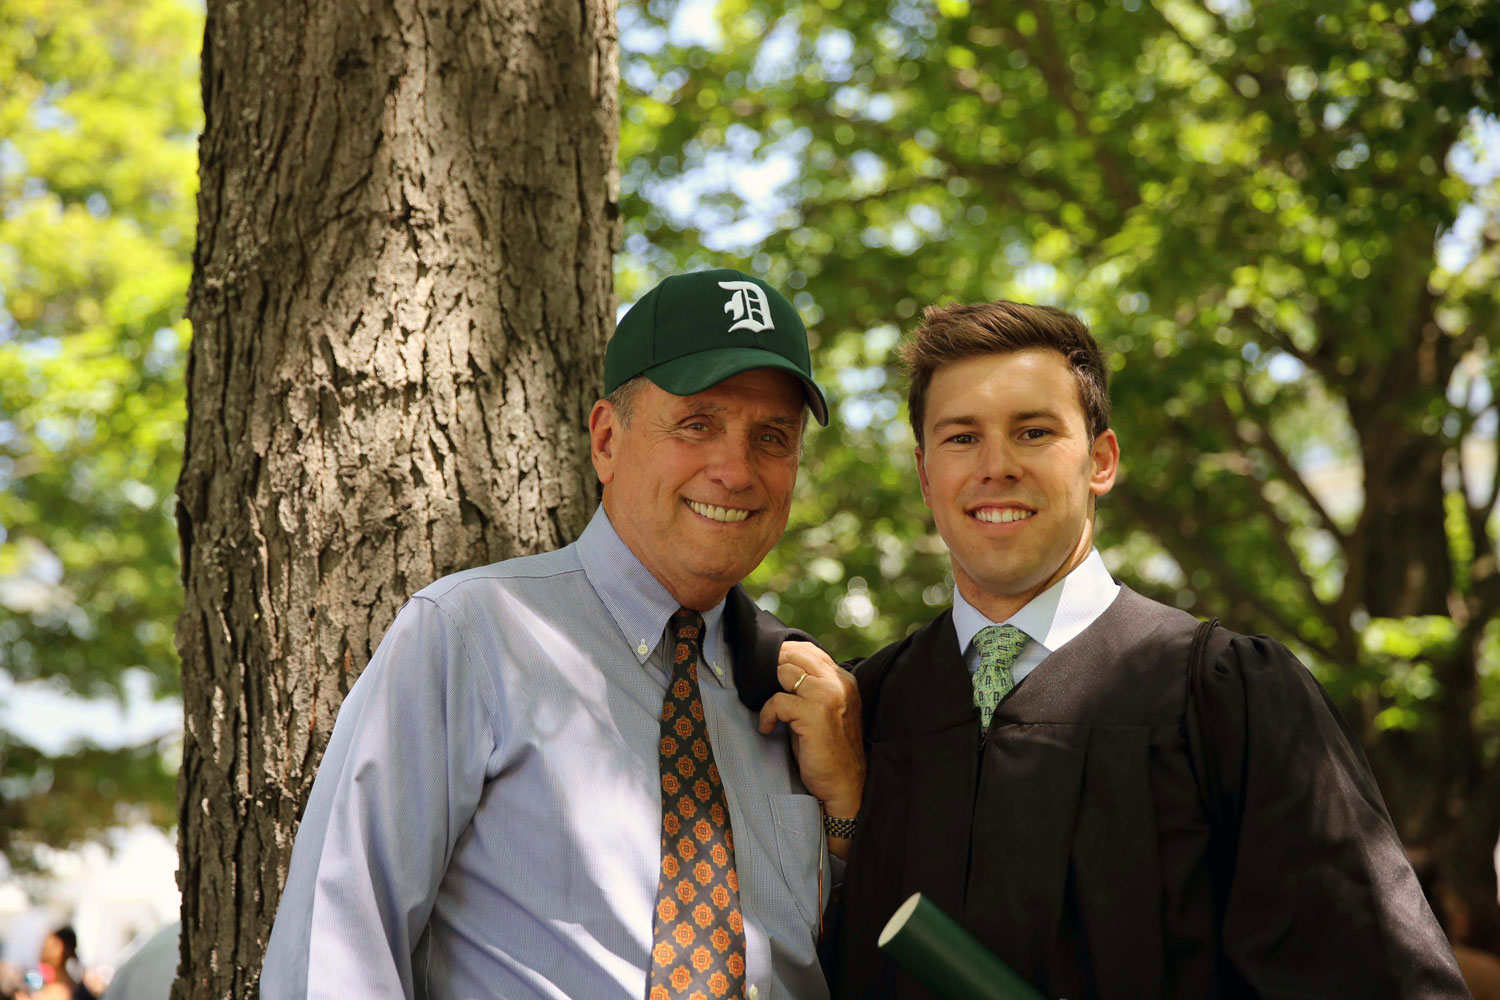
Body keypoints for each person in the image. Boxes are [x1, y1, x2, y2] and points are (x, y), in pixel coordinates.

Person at [774, 301, 1469, 998]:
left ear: (1100, 460)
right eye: (962, 439)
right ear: (926, 475)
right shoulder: (871, 707)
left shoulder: (1224, 696)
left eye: (1034, 431)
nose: (997, 467)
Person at [260, 268, 862, 1000]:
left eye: (773, 437)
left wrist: (845, 817)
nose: (735, 470)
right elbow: (336, 955)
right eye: (698, 424)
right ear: (607, 439)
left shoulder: (797, 698)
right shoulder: (472, 637)